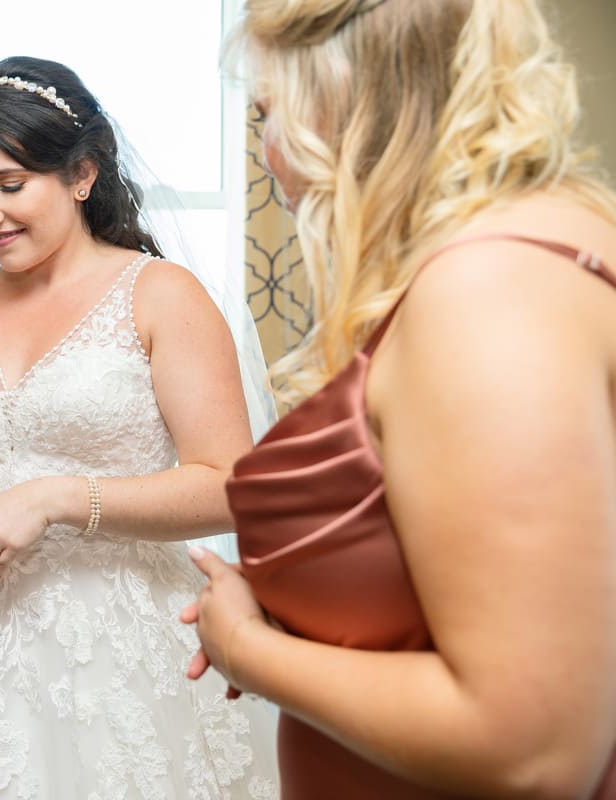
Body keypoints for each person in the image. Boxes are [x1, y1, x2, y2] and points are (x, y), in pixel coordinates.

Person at [182, 0, 616, 797]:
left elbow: (534, 749)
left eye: (267, 115)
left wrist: (246, 647)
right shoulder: (543, 243)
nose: (268, 155)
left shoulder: (486, 290)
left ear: (337, 89)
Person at [0, 56, 279, 799]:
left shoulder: (159, 294)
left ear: (81, 175)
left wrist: (57, 497)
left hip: (125, 647)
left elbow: (229, 485)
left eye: (10, 185)